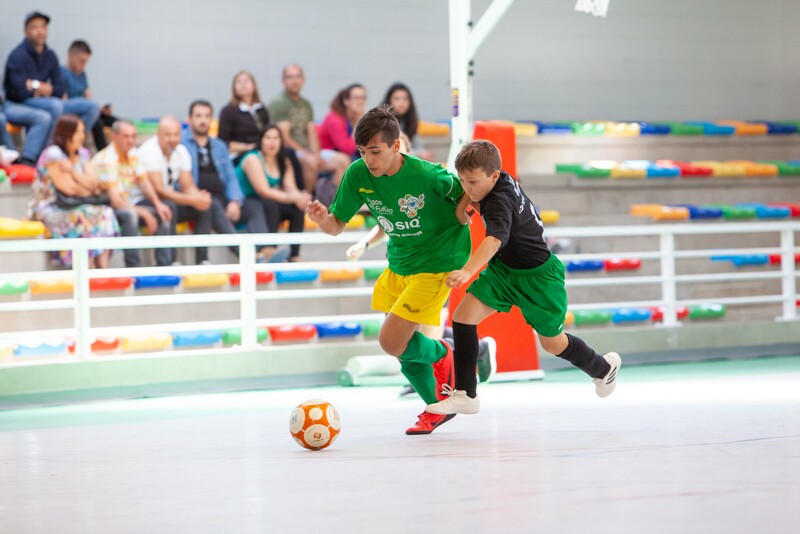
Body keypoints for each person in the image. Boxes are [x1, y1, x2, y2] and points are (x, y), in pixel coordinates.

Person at [307, 105, 473, 435]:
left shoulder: (428, 175)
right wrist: (321, 218)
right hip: (399, 264)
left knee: (391, 342)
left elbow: (471, 192)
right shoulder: (358, 174)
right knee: (402, 350)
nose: (368, 159)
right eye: (363, 151)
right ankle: (435, 407)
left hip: (436, 265)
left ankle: (443, 352)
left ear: (396, 146)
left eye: (375, 151)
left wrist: (464, 214)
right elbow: (336, 226)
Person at [427, 140, 621, 416]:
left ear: (493, 176)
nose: (467, 187)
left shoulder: (498, 202)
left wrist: (468, 271)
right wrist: (463, 206)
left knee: (553, 343)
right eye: (462, 180)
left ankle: (603, 369)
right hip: (504, 272)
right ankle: (466, 394)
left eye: (471, 181)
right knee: (462, 317)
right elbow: (472, 194)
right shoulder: (497, 178)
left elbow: (494, 240)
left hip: (539, 278)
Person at [139, 115, 236, 266]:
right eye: (168, 135)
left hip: (167, 199)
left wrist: (200, 198)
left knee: (208, 205)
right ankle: (169, 261)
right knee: (169, 205)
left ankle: (204, 259)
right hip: (146, 200)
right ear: (158, 134)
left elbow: (188, 185)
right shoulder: (148, 151)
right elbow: (159, 190)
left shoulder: (181, 151)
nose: (172, 139)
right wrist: (192, 199)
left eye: (176, 134)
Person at [26, 114, 118, 268]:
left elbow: (95, 183)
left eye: (83, 132)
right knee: (85, 214)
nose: (83, 136)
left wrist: (74, 173)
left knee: (106, 213)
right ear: (67, 133)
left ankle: (103, 267)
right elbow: (67, 188)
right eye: (79, 132)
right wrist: (86, 187)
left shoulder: (83, 153)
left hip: (77, 204)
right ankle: (87, 267)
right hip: (51, 206)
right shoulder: (53, 154)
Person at [92, 119, 174, 267]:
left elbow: (144, 182)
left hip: (129, 203)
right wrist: (144, 213)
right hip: (107, 209)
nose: (130, 141)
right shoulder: (106, 160)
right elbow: (115, 201)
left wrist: (157, 204)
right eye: (126, 136)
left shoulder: (133, 154)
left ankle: (165, 266)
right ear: (114, 136)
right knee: (131, 215)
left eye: (133, 136)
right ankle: (133, 268)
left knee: (163, 212)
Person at [182, 99, 250, 259]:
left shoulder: (219, 145)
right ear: (190, 119)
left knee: (256, 206)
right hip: (195, 197)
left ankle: (264, 251)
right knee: (211, 204)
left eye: (207, 116)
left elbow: (230, 177)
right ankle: (243, 255)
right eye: (198, 116)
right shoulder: (181, 144)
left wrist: (235, 201)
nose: (203, 120)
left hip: (221, 196)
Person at [236, 125, 311, 262]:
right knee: (272, 205)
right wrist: (293, 197)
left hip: (267, 200)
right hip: (246, 200)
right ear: (261, 141)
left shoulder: (284, 160)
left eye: (276, 138)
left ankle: (294, 254)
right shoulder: (253, 158)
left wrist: (301, 199)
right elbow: (263, 191)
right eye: (268, 138)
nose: (272, 142)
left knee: (297, 209)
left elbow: (291, 187)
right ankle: (270, 249)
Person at [270, 64, 347, 196]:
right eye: (290, 77)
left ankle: (334, 205)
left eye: (298, 76)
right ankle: (308, 204)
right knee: (310, 162)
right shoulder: (279, 103)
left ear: (303, 80)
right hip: (290, 152)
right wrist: (307, 154)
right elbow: (285, 139)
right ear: (283, 81)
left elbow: (312, 133)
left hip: (307, 151)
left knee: (343, 160)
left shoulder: (306, 104)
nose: (295, 80)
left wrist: (317, 155)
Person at [3, 11, 63, 166]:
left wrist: (34, 85)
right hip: (13, 105)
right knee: (45, 115)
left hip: (39, 102)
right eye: (34, 27)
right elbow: (20, 92)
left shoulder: (50, 56)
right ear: (26, 31)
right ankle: (29, 159)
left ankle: (41, 156)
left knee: (64, 106)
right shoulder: (17, 55)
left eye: (43, 26)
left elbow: (59, 90)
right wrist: (43, 88)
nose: (40, 31)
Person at [315, 83, 367, 205]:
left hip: (342, 154)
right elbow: (347, 147)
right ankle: (336, 204)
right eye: (356, 98)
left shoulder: (354, 117)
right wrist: (359, 124)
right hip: (324, 152)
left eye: (363, 98)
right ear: (346, 101)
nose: (360, 101)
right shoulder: (335, 118)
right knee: (345, 161)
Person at [60, 39, 105, 151]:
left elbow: (88, 95)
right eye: (81, 61)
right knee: (96, 119)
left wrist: (100, 109)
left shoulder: (82, 74)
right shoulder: (62, 72)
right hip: (71, 110)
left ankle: (104, 152)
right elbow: (63, 102)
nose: (83, 65)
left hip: (84, 109)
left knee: (105, 118)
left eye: (85, 62)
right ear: (70, 56)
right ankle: (75, 138)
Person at [218, 71, 270, 164]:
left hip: (262, 150)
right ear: (234, 88)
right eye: (239, 82)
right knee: (254, 158)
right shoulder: (228, 111)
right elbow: (222, 142)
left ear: (254, 86)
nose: (243, 84)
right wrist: (247, 147)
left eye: (246, 81)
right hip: (240, 154)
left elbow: (269, 131)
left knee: (287, 155)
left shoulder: (261, 109)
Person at [382, 82, 434, 161]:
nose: (401, 102)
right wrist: (419, 154)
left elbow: (416, 144)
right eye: (397, 99)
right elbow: (393, 150)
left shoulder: (408, 121)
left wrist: (424, 153)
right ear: (389, 101)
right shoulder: (383, 121)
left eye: (405, 99)